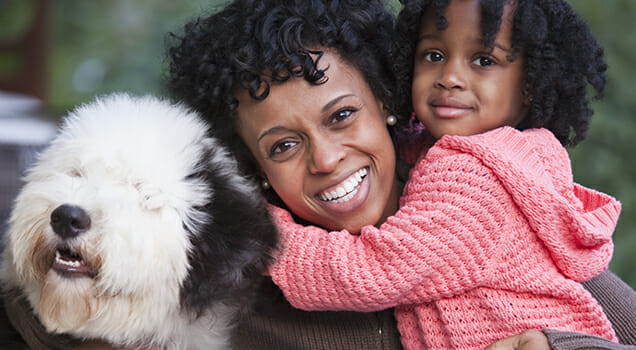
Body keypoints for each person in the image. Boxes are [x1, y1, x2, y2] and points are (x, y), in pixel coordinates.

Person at [3, 0, 635, 349]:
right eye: (282, 146)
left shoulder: (493, 215)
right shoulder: (224, 287)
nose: (326, 158)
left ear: (387, 102)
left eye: (342, 115)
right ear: (252, 167)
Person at [249, 0, 635, 349]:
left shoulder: (472, 177)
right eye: (433, 54)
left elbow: (371, 272)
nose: (449, 76)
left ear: (529, 86)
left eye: (483, 60)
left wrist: (257, 227)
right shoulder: (464, 159)